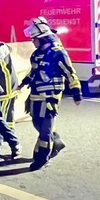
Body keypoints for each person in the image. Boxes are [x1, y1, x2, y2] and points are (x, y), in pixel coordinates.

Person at [19, 18, 82, 171]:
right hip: (35, 96)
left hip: (50, 98)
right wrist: (23, 82)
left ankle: (41, 159)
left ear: (42, 38)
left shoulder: (58, 53)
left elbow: (70, 73)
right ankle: (57, 142)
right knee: (37, 124)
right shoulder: (36, 54)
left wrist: (76, 93)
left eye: (34, 39)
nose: (32, 42)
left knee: (45, 131)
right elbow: (34, 72)